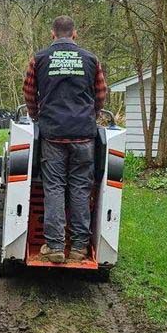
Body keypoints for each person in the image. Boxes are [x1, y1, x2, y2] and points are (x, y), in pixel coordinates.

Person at [22, 16, 108, 264]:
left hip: (53, 135)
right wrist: (90, 116)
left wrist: (37, 116)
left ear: (52, 34)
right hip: (83, 136)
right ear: (75, 34)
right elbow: (100, 94)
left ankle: (55, 245)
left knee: (55, 188)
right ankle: (79, 248)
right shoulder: (91, 59)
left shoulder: (39, 59)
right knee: (81, 189)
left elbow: (29, 91)